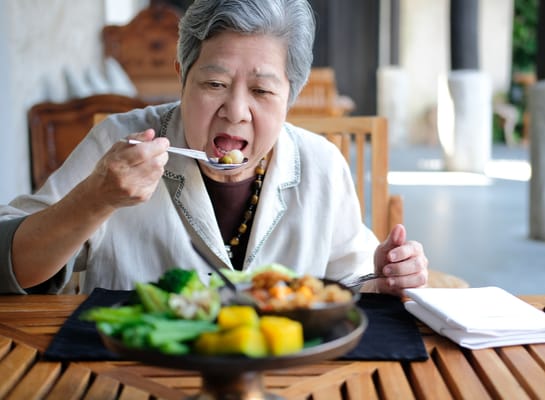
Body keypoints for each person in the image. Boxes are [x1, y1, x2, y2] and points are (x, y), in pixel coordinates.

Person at [0, 0, 427, 295]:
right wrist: (94, 199)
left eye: (261, 90)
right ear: (181, 75)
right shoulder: (120, 143)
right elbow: (11, 266)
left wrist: (386, 275)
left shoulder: (322, 164)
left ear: (291, 97)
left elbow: (353, 280)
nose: (236, 110)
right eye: (214, 84)